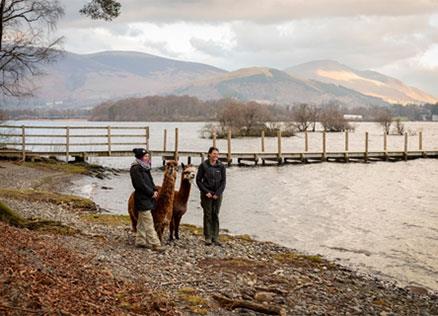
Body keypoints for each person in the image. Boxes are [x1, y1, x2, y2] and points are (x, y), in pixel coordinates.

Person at [129, 148, 163, 251]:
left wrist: (154, 189)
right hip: (141, 198)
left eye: (148, 156)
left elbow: (150, 181)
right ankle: (155, 244)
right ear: (140, 157)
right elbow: (140, 185)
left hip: (147, 197)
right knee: (148, 222)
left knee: (141, 220)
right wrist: (151, 192)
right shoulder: (135, 169)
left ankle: (140, 241)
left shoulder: (145, 167)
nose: (147, 158)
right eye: (145, 156)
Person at [196, 146, 226, 246]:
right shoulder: (203, 166)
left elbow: (223, 182)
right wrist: (206, 192)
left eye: (217, 154)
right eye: (214, 154)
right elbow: (198, 181)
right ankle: (208, 237)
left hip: (218, 194)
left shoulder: (221, 166)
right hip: (206, 194)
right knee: (208, 214)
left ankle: (215, 237)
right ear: (209, 154)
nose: (215, 156)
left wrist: (218, 193)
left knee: (215, 214)